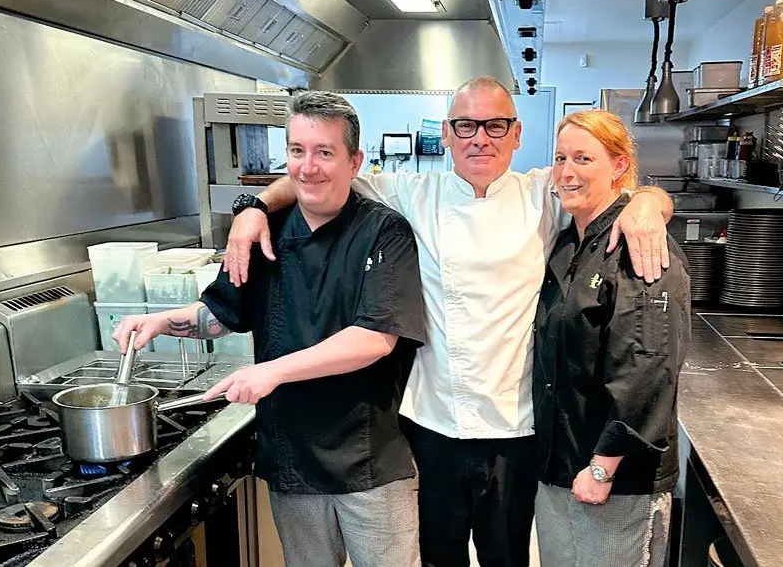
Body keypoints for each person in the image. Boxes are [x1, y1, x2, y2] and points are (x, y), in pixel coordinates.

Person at [223, 77, 674, 567]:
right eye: (465, 126)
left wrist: (649, 204)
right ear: (446, 133)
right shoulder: (410, 192)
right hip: (432, 424)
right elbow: (316, 176)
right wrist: (253, 208)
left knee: (507, 559)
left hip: (516, 426)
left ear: (516, 134)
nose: (480, 138)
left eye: (495, 126)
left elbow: (615, 189)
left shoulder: (543, 192)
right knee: (437, 558)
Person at [113, 91, 426, 567]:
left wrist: (272, 371)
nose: (308, 167)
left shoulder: (385, 232)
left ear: (355, 162)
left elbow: (374, 339)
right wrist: (160, 322)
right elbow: (219, 315)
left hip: (368, 460)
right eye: (297, 150)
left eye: (324, 152)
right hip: (292, 459)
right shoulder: (264, 232)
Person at [533, 109, 690, 567]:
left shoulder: (640, 244)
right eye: (560, 158)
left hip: (615, 481)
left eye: (583, 158)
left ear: (619, 165)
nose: (567, 171)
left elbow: (648, 367)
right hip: (561, 464)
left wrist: (603, 466)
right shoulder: (568, 242)